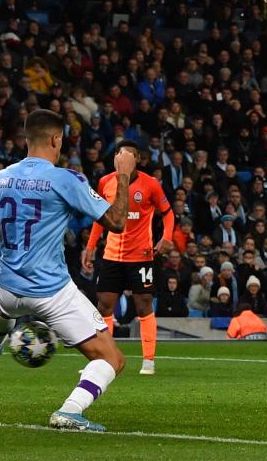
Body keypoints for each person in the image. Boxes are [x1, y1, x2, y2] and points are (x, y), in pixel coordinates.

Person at [0, 109, 134, 432]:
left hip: (8, 288)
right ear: (56, 139)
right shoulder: (66, 180)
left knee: (6, 306)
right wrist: (123, 174)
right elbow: (117, 222)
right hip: (50, 294)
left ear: (27, 139)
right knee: (112, 359)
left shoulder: (0, 178)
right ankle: (70, 411)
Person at [82, 139, 174, 376]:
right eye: (120, 154)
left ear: (137, 160)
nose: (124, 158)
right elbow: (99, 217)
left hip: (141, 255)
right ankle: (104, 360)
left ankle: (149, 361)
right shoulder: (105, 182)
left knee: (143, 303)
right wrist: (90, 246)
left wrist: (167, 237)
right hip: (112, 255)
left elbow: (168, 213)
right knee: (104, 305)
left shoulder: (151, 184)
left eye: (129, 155)